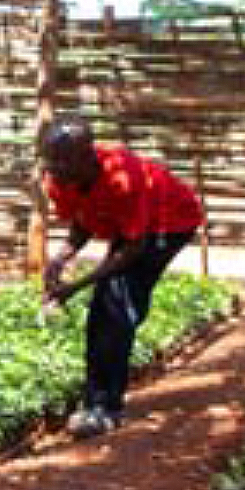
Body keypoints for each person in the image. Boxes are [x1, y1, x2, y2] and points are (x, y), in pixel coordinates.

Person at [38, 116, 204, 437]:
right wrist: (60, 259)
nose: (56, 170)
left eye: (64, 163)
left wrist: (75, 286)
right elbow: (84, 218)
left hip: (169, 223)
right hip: (131, 227)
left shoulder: (123, 179)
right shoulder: (60, 179)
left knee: (114, 306)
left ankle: (105, 408)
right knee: (113, 308)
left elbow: (131, 249)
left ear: (87, 158)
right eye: (52, 162)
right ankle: (95, 400)